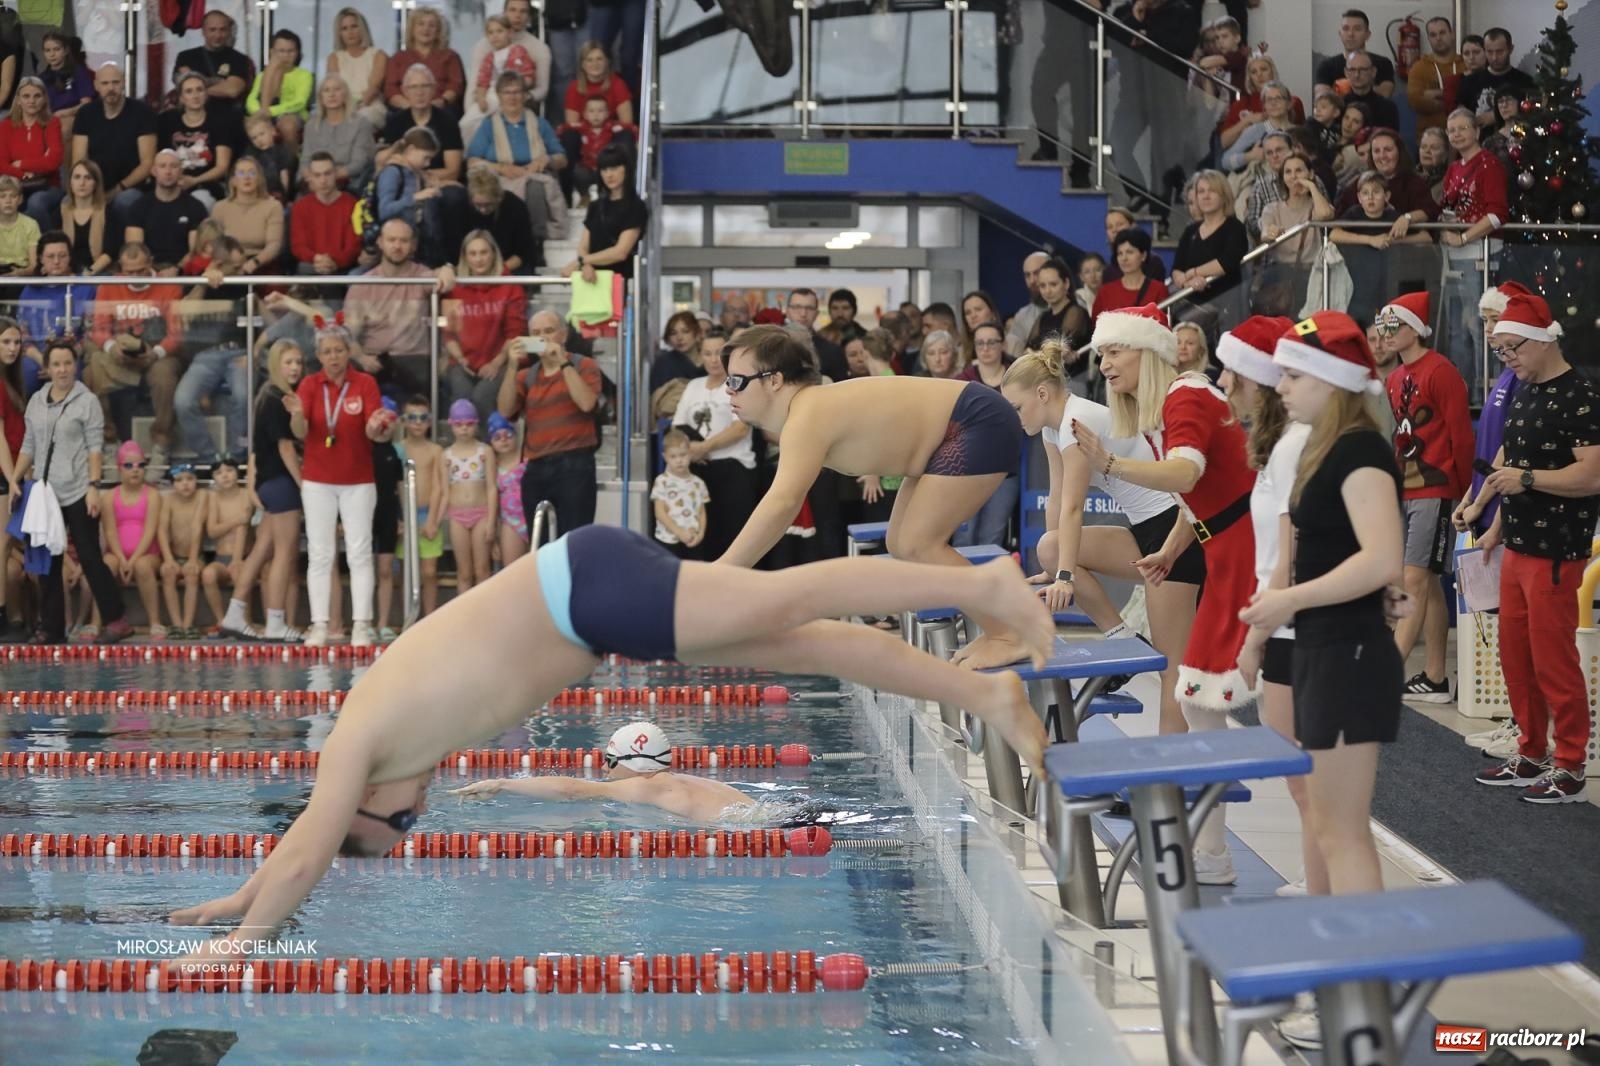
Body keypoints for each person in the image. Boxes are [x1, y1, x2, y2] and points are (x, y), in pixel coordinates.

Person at [166, 524, 1055, 961]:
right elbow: (297, 850)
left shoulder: (352, 746)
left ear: (363, 808)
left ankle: (986, 586)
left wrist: (246, 939)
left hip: (582, 592)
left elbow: (304, 857)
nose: (418, 816)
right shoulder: (386, 757)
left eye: (396, 828)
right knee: (807, 644)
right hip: (591, 608)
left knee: (791, 601)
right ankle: (983, 692)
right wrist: (229, 901)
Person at [1239, 311, 1404, 1050]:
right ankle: (1341, 979)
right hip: (1324, 649)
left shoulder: (1362, 453)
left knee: (1342, 833)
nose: (1285, 385)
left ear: (1334, 382)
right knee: (1332, 829)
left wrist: (1288, 603)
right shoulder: (1322, 450)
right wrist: (1271, 621)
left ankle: (1357, 996)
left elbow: (1381, 562)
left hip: (1350, 653)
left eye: (1296, 373)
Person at [719, 325, 1036, 669]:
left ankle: (1009, 633)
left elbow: (782, 503)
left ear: (774, 380)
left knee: (919, 542)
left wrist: (723, 574)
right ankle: (1000, 629)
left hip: (975, 421)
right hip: (956, 428)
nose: (727, 390)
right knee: (900, 542)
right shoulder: (807, 411)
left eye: (737, 380)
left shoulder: (806, 414)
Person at [1071, 304, 1257, 884]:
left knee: (1268, 709)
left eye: (1113, 352)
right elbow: (1198, 502)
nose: (1104, 365)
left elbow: (1186, 475)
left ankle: (1307, 860)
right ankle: (1212, 854)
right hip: (1225, 545)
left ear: (1147, 351)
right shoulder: (1164, 409)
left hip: (1253, 551)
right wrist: (1175, 548)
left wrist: (1109, 463)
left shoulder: (1188, 397)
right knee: (1200, 695)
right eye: (1100, 355)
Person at [1003, 339, 1203, 735]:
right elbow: (1057, 501)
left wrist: (1065, 576)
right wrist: (1055, 566)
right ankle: (1124, 639)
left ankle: (1170, 777)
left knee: (1172, 669)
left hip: (1175, 533)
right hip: (1144, 529)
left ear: (1042, 393)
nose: (1015, 417)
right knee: (1049, 546)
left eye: (1017, 407)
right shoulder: (1052, 429)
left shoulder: (1079, 423)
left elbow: (1074, 508)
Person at [1452, 291, 1599, 805]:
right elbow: (1508, 458)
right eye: (1501, 352)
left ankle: (1571, 764)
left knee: (1552, 660)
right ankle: (1532, 750)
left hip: (1556, 548)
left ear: (1542, 341)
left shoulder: (1581, 395)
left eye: (1512, 349)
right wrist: (1486, 516)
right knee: (1516, 657)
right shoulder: (1524, 388)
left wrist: (1529, 480)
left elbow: (1591, 474)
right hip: (1516, 541)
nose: (1508, 360)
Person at [1220, 317, 1317, 902]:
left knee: (1302, 767)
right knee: (1299, 767)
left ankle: (1328, 886)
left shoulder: (1290, 449)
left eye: (1234, 372)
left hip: (1293, 621)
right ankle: (1323, 880)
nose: (1224, 381)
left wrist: (1256, 634)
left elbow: (1290, 551)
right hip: (1286, 616)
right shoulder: (1283, 447)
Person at [1379, 291, 1473, 704]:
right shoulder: (1395, 378)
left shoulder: (1441, 371)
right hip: (1408, 487)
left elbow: (1460, 435)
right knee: (1427, 583)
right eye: (1382, 327)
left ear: (1413, 329)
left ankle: (1388, 670)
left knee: (1414, 580)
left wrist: (1468, 493)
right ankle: (1435, 676)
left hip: (1437, 489)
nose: (1383, 335)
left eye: (1391, 327)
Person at [12, 341, 133, 643]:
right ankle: (52, 629)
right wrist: (15, 479)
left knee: (90, 557)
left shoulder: (86, 400)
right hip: (45, 494)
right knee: (48, 562)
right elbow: (29, 445)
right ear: (47, 368)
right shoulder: (37, 401)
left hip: (79, 489)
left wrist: (94, 486)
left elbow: (95, 447)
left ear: (75, 366)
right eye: (56, 364)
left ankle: (117, 620)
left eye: (68, 363)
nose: (63, 369)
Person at [291, 320, 393, 648]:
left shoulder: (364, 383)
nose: (333, 357)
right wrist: (294, 413)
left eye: (338, 350)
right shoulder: (309, 384)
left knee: (359, 552)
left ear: (348, 351)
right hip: (318, 480)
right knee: (320, 554)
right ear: (318, 355)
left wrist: (379, 424)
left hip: (359, 479)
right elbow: (301, 432)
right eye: (326, 352)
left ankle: (362, 624)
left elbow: (371, 433)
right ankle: (320, 625)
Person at [222, 338, 305, 641]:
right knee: (284, 554)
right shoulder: (278, 399)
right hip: (282, 484)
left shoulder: (268, 395)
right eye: (288, 362)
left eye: (298, 362)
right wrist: (303, 485)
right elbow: (285, 447)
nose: (295, 368)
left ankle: (233, 615)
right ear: (275, 365)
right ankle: (275, 622)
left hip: (268, 483)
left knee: (260, 552)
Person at [497, 308, 604, 531]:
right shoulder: (526, 375)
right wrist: (512, 366)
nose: (542, 338)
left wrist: (563, 363)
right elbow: (505, 410)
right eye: (535, 333)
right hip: (536, 465)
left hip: (575, 463)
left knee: (574, 539)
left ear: (563, 336)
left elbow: (587, 403)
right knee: (539, 542)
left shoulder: (584, 365)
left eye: (549, 331)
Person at [87, 243, 184, 460]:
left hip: (158, 352)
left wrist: (156, 352)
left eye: (141, 270)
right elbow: (99, 328)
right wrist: (112, 348)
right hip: (121, 350)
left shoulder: (169, 286)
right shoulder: (108, 286)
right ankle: (109, 441)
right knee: (91, 373)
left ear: (150, 262)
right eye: (129, 272)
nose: (136, 276)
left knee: (164, 378)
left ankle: (161, 442)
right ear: (121, 269)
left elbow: (176, 333)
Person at [1438, 108, 1509, 396]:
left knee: (1478, 326)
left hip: (1481, 254)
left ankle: (1486, 392)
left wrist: (1464, 237)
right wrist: (1445, 227)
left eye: (1462, 128)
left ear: (1477, 131)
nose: (1456, 134)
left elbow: (1497, 214)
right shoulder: (1454, 168)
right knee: (1457, 329)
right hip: (1454, 256)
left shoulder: (1489, 165)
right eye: (1451, 130)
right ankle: (1461, 392)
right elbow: (1448, 207)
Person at [670, 327, 757, 560]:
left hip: (733, 469)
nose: (713, 359)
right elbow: (677, 426)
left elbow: (740, 428)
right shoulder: (693, 386)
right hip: (698, 472)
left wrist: (703, 448)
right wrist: (691, 450)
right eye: (707, 353)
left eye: (718, 353)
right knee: (701, 538)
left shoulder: (739, 384)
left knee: (732, 539)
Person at [464, 72, 569, 244]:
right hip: (501, 179)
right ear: (498, 96)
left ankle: (536, 241)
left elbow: (562, 158)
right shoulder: (488, 125)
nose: (512, 97)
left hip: (532, 177)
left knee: (535, 187)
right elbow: (472, 162)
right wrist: (502, 168)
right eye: (507, 92)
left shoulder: (540, 124)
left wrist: (545, 160)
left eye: (517, 92)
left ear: (525, 95)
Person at [49, 64, 157, 223]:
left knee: (124, 202)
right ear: (96, 85)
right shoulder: (86, 114)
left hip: (131, 187)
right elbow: (79, 160)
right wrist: (88, 189)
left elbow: (147, 164)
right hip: (93, 186)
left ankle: (126, 246)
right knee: (65, 206)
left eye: (115, 82)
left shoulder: (142, 112)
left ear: (123, 83)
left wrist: (118, 189)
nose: (111, 88)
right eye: (105, 83)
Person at [444, 230, 524, 423]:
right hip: (463, 362)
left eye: (484, 252)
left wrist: (496, 363)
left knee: (481, 397)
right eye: (473, 254)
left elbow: (515, 334)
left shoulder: (510, 287)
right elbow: (448, 333)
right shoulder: (455, 288)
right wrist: (461, 359)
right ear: (465, 257)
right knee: (462, 401)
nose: (478, 259)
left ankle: (488, 449)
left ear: (493, 254)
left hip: (501, 361)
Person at [100, 440, 165, 638]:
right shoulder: (110, 497)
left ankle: (155, 621)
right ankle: (97, 622)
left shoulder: (153, 495)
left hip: (147, 554)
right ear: (119, 468)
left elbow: (150, 531)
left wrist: (133, 560)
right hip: (117, 553)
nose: (135, 470)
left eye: (140, 465)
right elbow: (110, 532)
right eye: (128, 465)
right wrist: (121, 558)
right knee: (104, 566)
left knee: (142, 567)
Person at [561, 142, 645, 283]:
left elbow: (620, 252)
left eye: (614, 168)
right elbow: (583, 245)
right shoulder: (595, 206)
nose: (609, 175)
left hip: (621, 282)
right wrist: (585, 264)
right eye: (604, 169)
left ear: (626, 169)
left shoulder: (636, 207)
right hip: (592, 282)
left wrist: (582, 261)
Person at [441, 398, 498, 593]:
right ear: (451, 425)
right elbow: (444, 492)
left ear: (476, 424)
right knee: (464, 572)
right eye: (459, 424)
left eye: (468, 424)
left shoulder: (485, 451)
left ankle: (484, 616)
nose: (464, 429)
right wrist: (436, 521)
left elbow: (491, 487)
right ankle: (463, 618)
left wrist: (491, 521)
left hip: (481, 514)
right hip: (457, 516)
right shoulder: (446, 455)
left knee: (482, 570)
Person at [396, 395, 445, 619]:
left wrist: (433, 520)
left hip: (427, 516)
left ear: (429, 421)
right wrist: (399, 519)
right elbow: (392, 489)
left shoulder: (436, 451)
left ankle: (430, 618)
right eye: (412, 417)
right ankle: (409, 618)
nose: (417, 422)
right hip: (405, 517)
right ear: (403, 421)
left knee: (429, 572)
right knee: (407, 572)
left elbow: (439, 488)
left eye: (422, 418)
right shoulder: (398, 450)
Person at [125, 150, 210, 271]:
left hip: (183, 273)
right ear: (154, 171)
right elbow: (135, 250)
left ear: (181, 171)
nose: (168, 171)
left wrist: (176, 270)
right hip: (148, 273)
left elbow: (195, 251)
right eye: (162, 166)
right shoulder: (139, 207)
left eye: (173, 166)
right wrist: (152, 273)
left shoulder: (195, 207)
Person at [299, 76, 378, 194]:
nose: (332, 94)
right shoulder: (311, 125)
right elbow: (305, 160)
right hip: (315, 181)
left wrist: (327, 178)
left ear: (345, 94)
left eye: (337, 89)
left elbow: (359, 163)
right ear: (320, 97)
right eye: (326, 90)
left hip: (348, 182)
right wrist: (312, 177)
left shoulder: (361, 123)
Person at [201, 457, 252, 636]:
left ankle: (246, 622)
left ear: (238, 473)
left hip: (243, 556)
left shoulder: (246, 494)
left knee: (239, 573)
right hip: (221, 558)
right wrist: (236, 520)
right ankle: (222, 620)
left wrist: (237, 560)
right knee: (208, 574)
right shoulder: (214, 499)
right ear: (214, 478)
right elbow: (212, 531)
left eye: (229, 470)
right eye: (219, 473)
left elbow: (243, 528)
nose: (225, 476)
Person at [157, 461, 208, 638]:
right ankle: (176, 624)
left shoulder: (201, 496)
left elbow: (197, 528)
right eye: (179, 480)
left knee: (192, 574)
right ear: (172, 484)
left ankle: (188, 624)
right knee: (167, 573)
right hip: (175, 555)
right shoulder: (168, 500)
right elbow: (162, 530)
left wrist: (193, 559)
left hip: (196, 556)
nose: (185, 483)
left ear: (196, 481)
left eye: (189, 479)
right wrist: (168, 559)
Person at [1025, 258, 1090, 395]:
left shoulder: (1076, 312)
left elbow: (1059, 350)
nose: (1048, 291)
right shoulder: (1044, 317)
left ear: (1066, 284)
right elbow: (1027, 350)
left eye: (1053, 284)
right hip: (1045, 384)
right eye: (1042, 286)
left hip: (1071, 385)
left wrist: (1036, 355)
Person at [291, 152, 363, 275]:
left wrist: (333, 261)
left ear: (335, 174)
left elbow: (353, 246)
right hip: (312, 265)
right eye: (317, 175)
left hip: (343, 267)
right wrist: (317, 258)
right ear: (310, 178)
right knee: (305, 268)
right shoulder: (300, 207)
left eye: (327, 174)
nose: (323, 180)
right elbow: (298, 245)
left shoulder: (352, 204)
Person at [208, 156, 283, 274]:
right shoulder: (220, 208)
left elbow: (274, 245)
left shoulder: (273, 206)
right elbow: (213, 244)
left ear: (259, 179)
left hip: (261, 263)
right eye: (241, 173)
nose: (247, 177)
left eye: (252, 173)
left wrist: (255, 262)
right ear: (233, 180)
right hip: (228, 265)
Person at [0, 77, 65, 210]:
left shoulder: (52, 123)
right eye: (26, 96)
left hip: (48, 186)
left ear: (44, 99)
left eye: (37, 96)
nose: (31, 101)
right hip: (14, 185)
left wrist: (21, 164)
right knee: (10, 200)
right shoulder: (6, 125)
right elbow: (1, 164)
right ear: (18, 100)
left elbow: (54, 161)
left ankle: (42, 232)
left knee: (36, 202)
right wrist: (23, 175)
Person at [383, 9, 465, 114]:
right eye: (421, 24)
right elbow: (390, 89)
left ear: (438, 32)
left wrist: (441, 101)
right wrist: (409, 105)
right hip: (404, 108)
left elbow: (456, 85)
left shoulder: (450, 56)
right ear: (412, 29)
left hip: (441, 107)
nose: (426, 29)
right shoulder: (398, 57)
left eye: (432, 25)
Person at [1457, 28, 1535, 130]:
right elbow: (1461, 115)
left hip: (1514, 141)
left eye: (1499, 52)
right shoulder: (1470, 81)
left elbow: (1533, 114)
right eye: (1489, 52)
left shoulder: (1525, 82)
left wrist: (1496, 116)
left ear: (1510, 49)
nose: (1494, 57)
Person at [172, 11, 255, 108]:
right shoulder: (185, 57)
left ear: (229, 32)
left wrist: (198, 86)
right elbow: (183, 86)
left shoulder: (240, 59)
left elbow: (233, 90)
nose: (218, 35)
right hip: (191, 115)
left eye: (223, 30)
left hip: (226, 115)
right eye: (212, 30)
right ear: (203, 32)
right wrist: (219, 82)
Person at [245, 30, 312, 149]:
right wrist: (259, 112)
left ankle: (291, 162)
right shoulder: (262, 75)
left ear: (297, 53)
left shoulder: (304, 75)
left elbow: (300, 102)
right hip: (264, 113)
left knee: (288, 125)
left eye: (290, 51)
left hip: (293, 114)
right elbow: (251, 99)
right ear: (272, 52)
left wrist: (270, 111)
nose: (285, 56)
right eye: (281, 51)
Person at [325, 8, 390, 128]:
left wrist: (351, 111)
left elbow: (373, 90)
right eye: (344, 28)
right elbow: (333, 89)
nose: (350, 32)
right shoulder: (334, 58)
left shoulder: (378, 55)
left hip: (370, 107)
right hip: (340, 107)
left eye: (354, 26)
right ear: (339, 33)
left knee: (359, 119)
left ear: (362, 28)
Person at [0, 318, 25, 634]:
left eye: (17, 342)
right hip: (4, 473)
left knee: (6, 546)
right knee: (2, 546)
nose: (13, 348)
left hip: (12, 471)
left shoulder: (10, 381)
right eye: (6, 342)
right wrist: (11, 478)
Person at [651, 428, 710, 560]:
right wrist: (679, 532)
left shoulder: (698, 483)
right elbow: (660, 513)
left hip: (693, 539)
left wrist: (700, 534)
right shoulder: (662, 482)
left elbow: (701, 512)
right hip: (668, 541)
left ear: (690, 454)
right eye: (673, 456)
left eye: (683, 455)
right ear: (665, 457)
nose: (679, 460)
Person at [1313, 10, 1396, 99]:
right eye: (1345, 29)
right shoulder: (1326, 66)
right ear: (1340, 34)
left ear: (1367, 35)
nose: (1350, 34)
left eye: (1357, 29)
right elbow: (1321, 98)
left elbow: (1385, 94)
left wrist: (1342, 88)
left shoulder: (1383, 63)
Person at [1093, 229, 1169, 323]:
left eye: (1130, 252)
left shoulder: (1158, 289)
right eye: (1120, 253)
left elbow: (1163, 327)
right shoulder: (1105, 292)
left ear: (1143, 256)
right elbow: (1096, 327)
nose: (1124, 258)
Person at [1408, 16, 1464, 136]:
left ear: (1452, 34)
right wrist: (1454, 97)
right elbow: (1416, 101)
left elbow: (1471, 100)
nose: (1438, 38)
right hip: (1429, 137)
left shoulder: (1465, 64)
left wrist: (1434, 94)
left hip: (1464, 134)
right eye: (1433, 35)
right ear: (1428, 38)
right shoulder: (1419, 68)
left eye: (1442, 33)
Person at [489, 412, 529, 565]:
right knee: (512, 570)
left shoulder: (527, 458)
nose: (503, 440)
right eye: (497, 437)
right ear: (491, 441)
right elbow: (492, 502)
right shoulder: (493, 466)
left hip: (532, 518)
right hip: (510, 523)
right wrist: (495, 539)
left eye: (508, 435)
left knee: (536, 570)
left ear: (517, 435)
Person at [648, 310, 703, 420]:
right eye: (673, 333)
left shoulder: (710, 361)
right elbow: (658, 400)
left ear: (697, 334)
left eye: (685, 331)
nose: (679, 337)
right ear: (668, 339)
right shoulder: (664, 363)